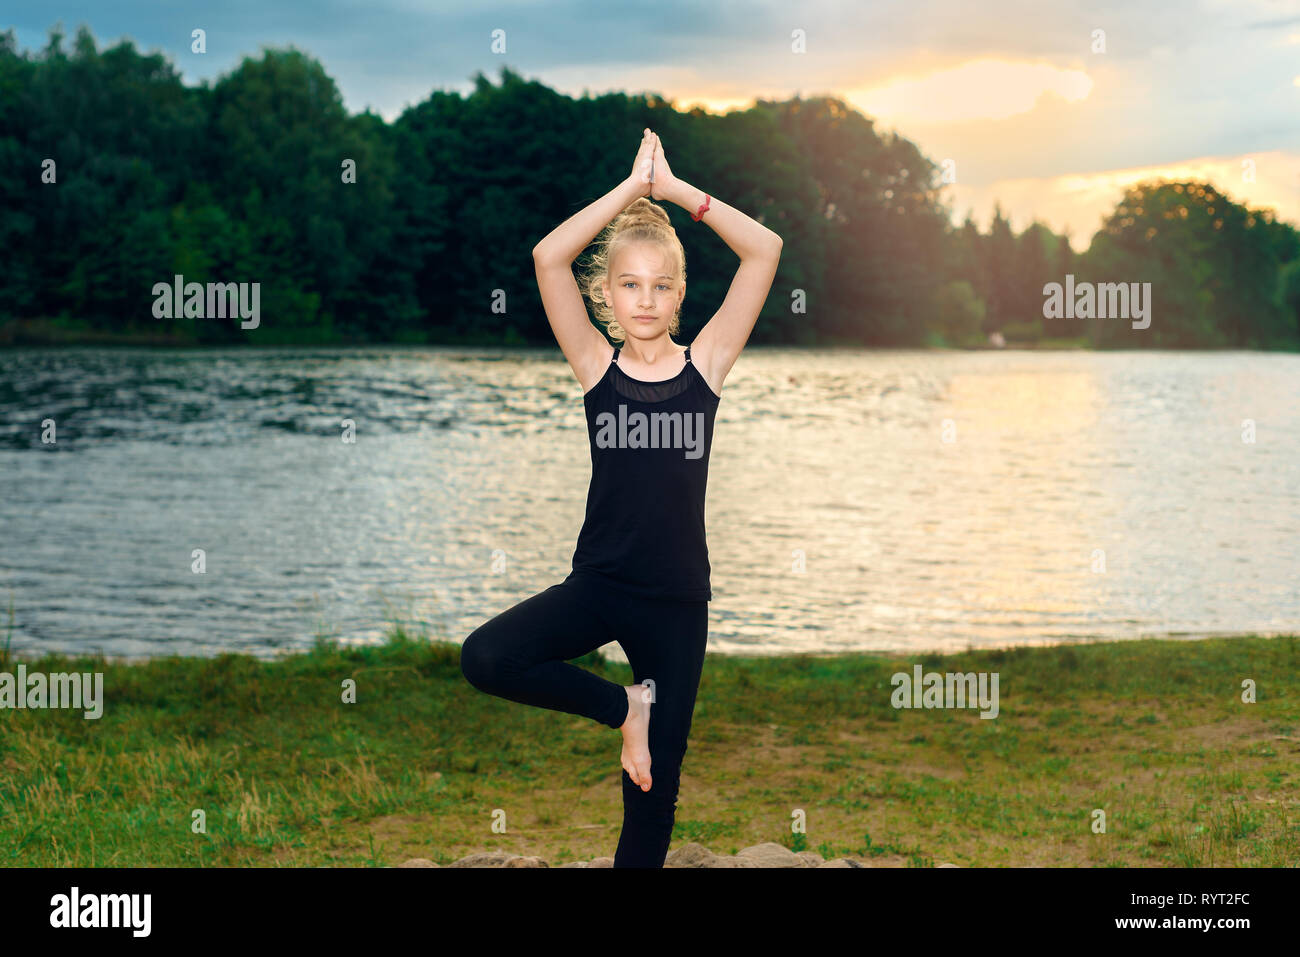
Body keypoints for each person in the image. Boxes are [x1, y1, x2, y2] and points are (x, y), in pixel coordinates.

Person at [460, 128, 782, 867]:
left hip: (675, 602)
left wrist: (675, 192)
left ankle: (639, 730)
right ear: (606, 294)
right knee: (487, 656)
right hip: (599, 585)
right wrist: (630, 191)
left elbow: (763, 249)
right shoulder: (594, 368)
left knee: (652, 794)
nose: (645, 299)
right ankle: (622, 706)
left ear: (679, 295)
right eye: (629, 284)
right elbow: (548, 257)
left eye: (661, 285)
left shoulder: (706, 364)